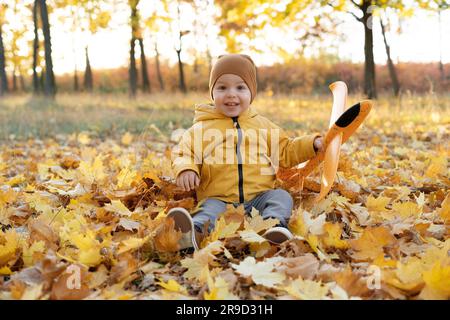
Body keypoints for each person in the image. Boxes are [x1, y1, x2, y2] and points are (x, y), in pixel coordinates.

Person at [168, 54, 324, 250]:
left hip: (259, 197)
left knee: (281, 197)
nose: (231, 94)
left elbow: (286, 149)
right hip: (220, 200)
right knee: (208, 212)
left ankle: (273, 228)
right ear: (212, 93)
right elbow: (184, 152)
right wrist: (186, 169)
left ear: (252, 92)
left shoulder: (262, 125)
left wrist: (312, 143)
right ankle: (193, 234)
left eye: (240, 87)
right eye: (222, 87)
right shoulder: (201, 129)